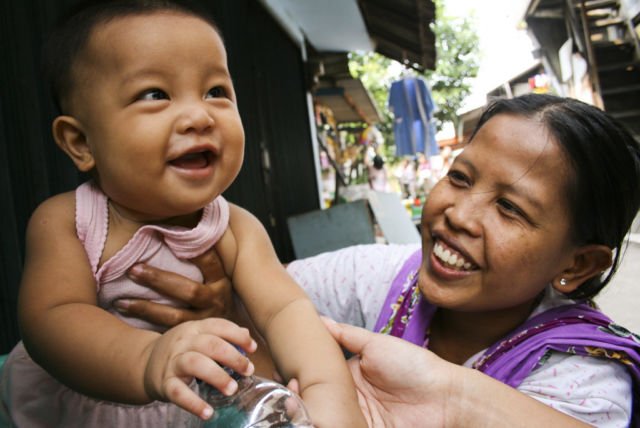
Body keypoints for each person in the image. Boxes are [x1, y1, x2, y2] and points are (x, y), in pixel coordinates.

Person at [121, 94, 640, 426]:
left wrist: (452, 398)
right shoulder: (383, 277)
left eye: (509, 208)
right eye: (460, 177)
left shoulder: (585, 386)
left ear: (578, 265)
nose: (458, 213)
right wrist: (233, 317)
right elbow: (270, 310)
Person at [0, 1, 365, 427]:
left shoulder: (236, 229)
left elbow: (287, 312)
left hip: (195, 408)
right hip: (86, 407)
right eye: (155, 94)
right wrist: (149, 357)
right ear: (80, 142)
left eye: (216, 91)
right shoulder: (70, 220)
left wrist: (330, 395)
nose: (199, 116)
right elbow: (53, 319)